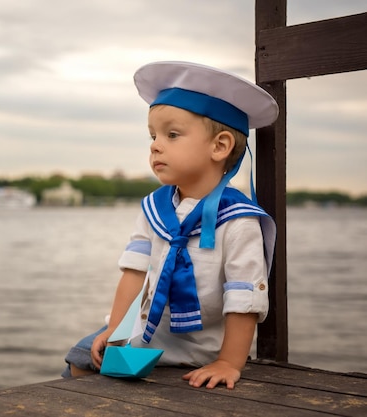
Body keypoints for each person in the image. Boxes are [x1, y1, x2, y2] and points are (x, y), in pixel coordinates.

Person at [62, 61, 278, 389]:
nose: (155, 145)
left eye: (171, 134)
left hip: (199, 349)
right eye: (153, 135)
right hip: (143, 336)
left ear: (219, 146)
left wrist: (228, 362)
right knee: (79, 361)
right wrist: (115, 331)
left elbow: (243, 297)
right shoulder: (154, 209)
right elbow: (134, 273)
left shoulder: (237, 220)